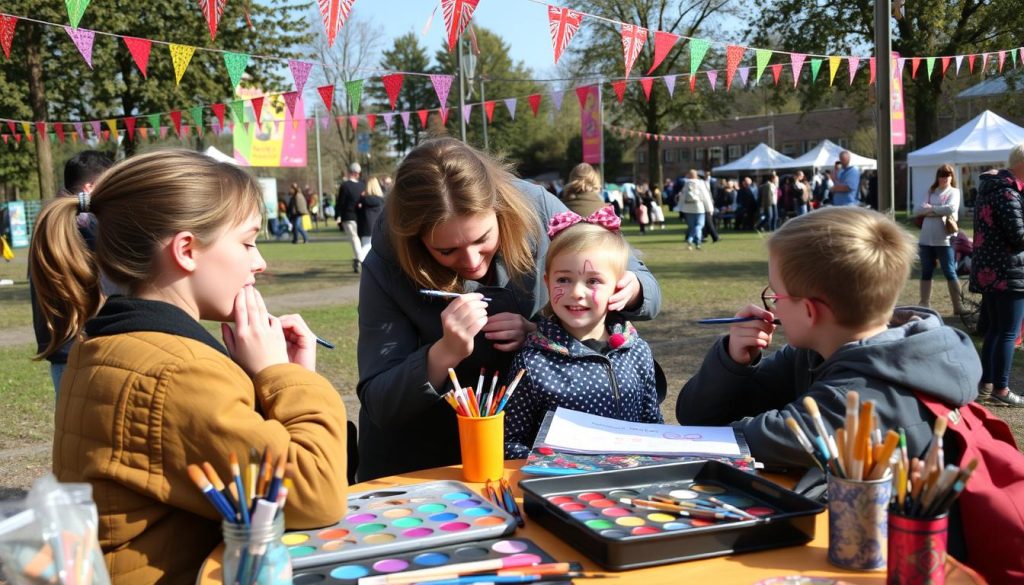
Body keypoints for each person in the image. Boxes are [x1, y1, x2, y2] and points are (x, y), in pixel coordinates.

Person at [30, 150, 348, 584]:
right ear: (186, 250)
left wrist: (271, 378)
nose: (260, 262)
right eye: (248, 242)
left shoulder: (109, 346)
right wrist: (285, 377)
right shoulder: (177, 373)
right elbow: (318, 492)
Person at [356, 138, 661, 481]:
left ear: (499, 209)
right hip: (425, 466)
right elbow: (379, 401)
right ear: (417, 241)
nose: (471, 262)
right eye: (446, 251)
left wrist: (630, 288)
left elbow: (638, 281)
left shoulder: (534, 206)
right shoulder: (386, 262)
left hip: (527, 460)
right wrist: (443, 354)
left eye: (482, 238)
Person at [676, 206, 980, 471]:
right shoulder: (815, 353)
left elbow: (739, 438)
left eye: (776, 294)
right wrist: (733, 362)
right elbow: (696, 416)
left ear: (809, 312)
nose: (773, 305)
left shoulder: (853, 402)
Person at [503, 209, 662, 458]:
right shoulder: (533, 363)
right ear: (547, 282)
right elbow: (510, 442)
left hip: (628, 483)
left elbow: (652, 424)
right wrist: (548, 468)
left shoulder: (637, 351)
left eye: (593, 281)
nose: (576, 292)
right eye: (564, 280)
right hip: (563, 488)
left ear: (619, 286)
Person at [30, 150, 114, 395]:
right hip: (83, 344)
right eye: (108, 184)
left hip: (64, 345)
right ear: (90, 187)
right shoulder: (83, 223)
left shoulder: (51, 218)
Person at [970, 145, 1024, 407]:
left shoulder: (991, 188)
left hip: (992, 269)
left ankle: (987, 383)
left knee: (995, 329)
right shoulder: (1008, 193)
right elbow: (1019, 236)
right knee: (1007, 333)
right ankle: (1001, 389)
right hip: (1008, 271)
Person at [914, 164, 963, 315]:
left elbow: (951, 209)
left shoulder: (954, 191)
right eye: (941, 175)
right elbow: (918, 209)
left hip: (945, 239)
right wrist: (937, 209)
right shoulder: (931, 191)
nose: (944, 178)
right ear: (938, 176)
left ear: (952, 177)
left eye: (947, 175)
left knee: (949, 271)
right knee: (926, 271)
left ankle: (958, 306)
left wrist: (930, 209)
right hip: (926, 238)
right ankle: (924, 303)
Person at [336, 163, 365, 273]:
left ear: (350, 172)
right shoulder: (362, 185)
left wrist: (337, 214)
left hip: (349, 216)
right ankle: (358, 259)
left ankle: (360, 259)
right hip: (361, 216)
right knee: (359, 240)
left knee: (354, 238)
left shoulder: (345, 186)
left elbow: (341, 202)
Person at [356, 176, 385, 262]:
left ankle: (359, 257)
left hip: (365, 227)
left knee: (366, 245)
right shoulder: (381, 200)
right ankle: (361, 258)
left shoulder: (363, 200)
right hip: (378, 227)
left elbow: (357, 211)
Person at [681, 169, 708, 250]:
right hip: (699, 206)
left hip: (688, 207)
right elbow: (705, 196)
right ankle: (695, 242)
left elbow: (682, 196)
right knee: (699, 225)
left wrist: (680, 207)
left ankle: (691, 241)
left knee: (692, 226)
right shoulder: (700, 183)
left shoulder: (686, 183)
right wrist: (709, 208)